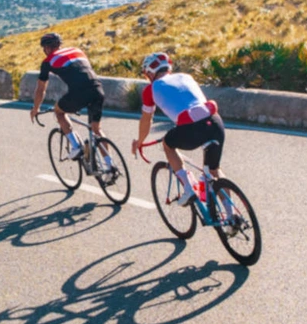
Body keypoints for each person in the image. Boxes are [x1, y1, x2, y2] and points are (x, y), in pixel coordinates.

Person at [131, 52, 225, 205]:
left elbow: (146, 120)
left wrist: (140, 142)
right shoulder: (185, 76)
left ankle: (189, 188)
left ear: (149, 73)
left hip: (191, 126)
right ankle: (232, 213)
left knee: (168, 144)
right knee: (214, 171)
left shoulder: (150, 90)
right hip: (214, 120)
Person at [29, 32, 109, 165]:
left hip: (79, 93)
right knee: (96, 129)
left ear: (47, 48)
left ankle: (76, 147)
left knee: (59, 111)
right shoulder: (77, 50)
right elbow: (79, 72)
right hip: (97, 88)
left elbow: (41, 89)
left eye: (44, 48)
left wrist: (36, 108)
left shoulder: (47, 61)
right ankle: (110, 165)